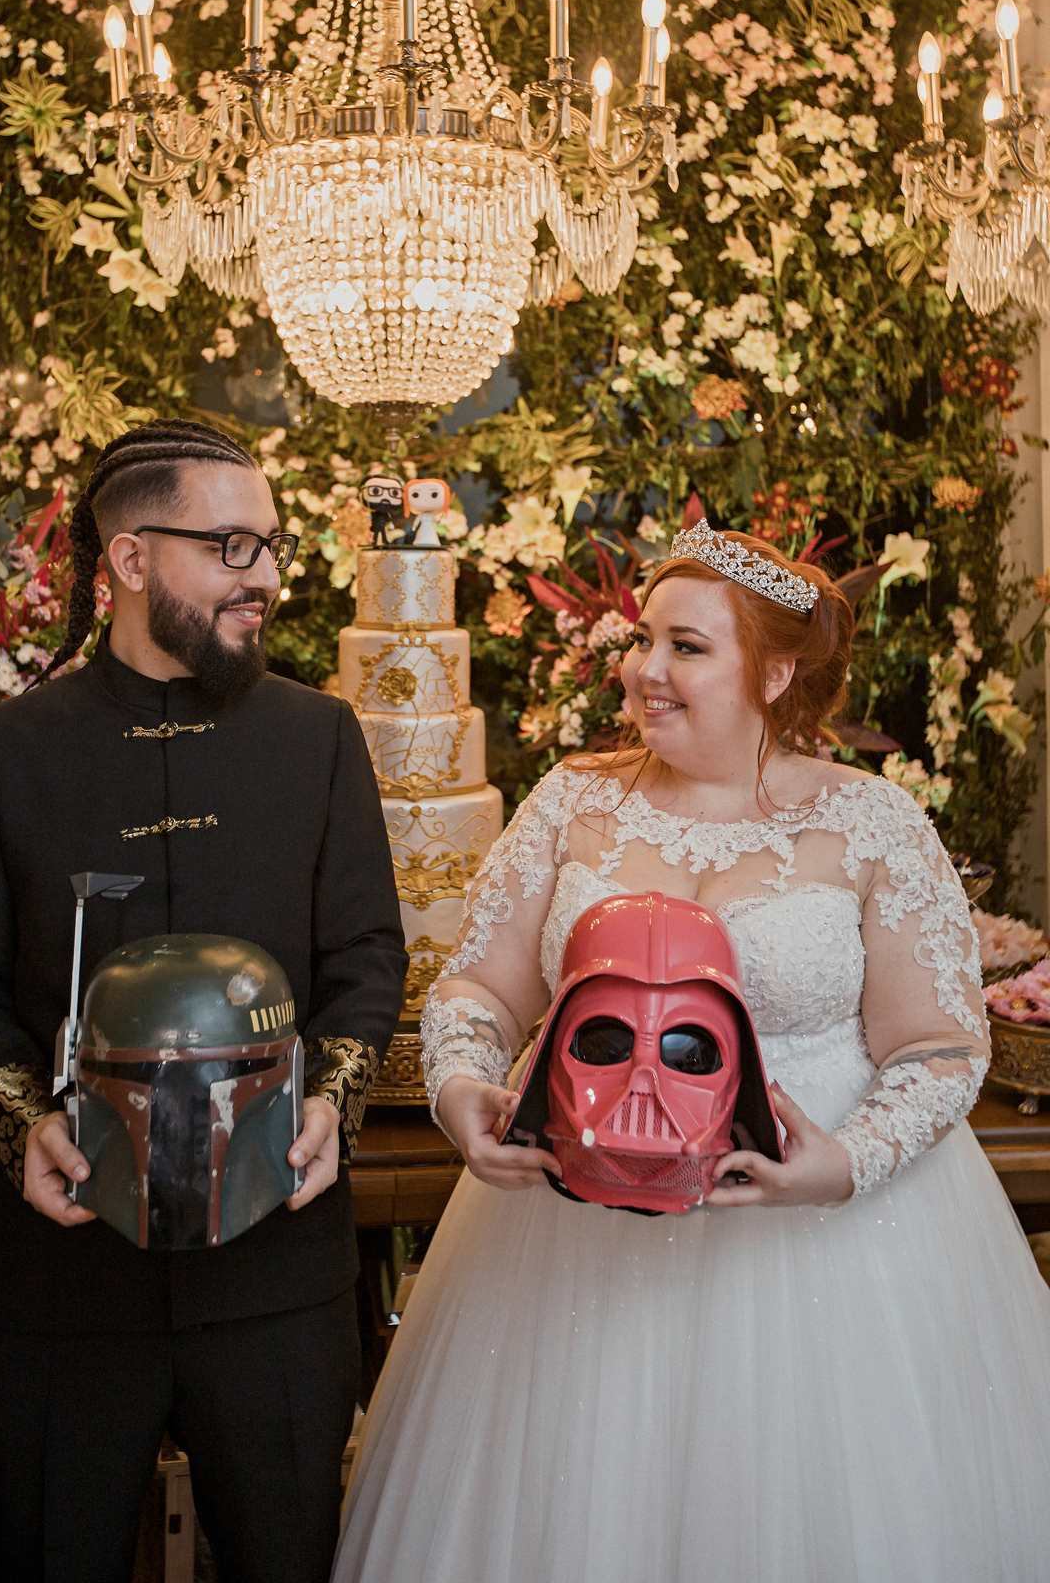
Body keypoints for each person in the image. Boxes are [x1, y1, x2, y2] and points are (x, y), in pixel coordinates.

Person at [332, 519, 1050, 1583]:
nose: (645, 669)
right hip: (571, 1234)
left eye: (686, 647)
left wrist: (844, 1164)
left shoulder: (874, 823)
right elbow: (479, 988)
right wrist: (461, 1086)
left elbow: (941, 1046)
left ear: (774, 673)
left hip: (827, 1248)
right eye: (642, 640)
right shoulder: (571, 801)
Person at [0, 419, 407, 1583]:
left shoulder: (320, 738)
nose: (264, 575)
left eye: (271, 545)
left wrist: (330, 1101)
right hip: (58, 1281)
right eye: (231, 546)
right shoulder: (0, 751)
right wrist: (20, 1122)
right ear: (129, 559)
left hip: (278, 1275)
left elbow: (367, 956)